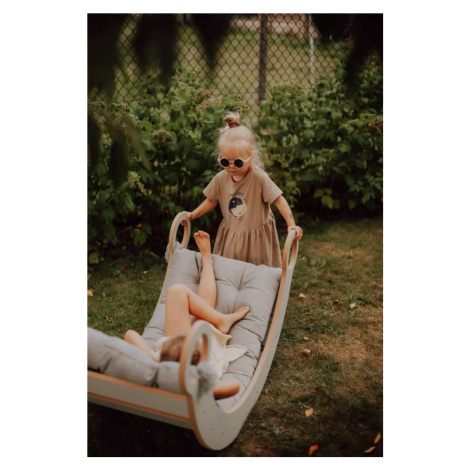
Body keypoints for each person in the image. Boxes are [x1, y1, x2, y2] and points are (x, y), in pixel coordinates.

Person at [124, 231, 250, 400]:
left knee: (177, 292)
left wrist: (154, 363)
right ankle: (207, 261)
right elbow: (234, 386)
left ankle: (218, 316)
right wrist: (200, 381)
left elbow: (129, 334)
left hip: (178, 355)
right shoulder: (197, 383)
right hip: (199, 351)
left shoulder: (157, 370)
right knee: (201, 317)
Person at [183, 112, 303, 268]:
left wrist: (291, 223)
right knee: (229, 270)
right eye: (225, 161)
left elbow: (279, 199)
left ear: (250, 158)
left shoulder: (259, 178)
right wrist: (192, 215)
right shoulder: (221, 178)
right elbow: (212, 200)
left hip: (257, 237)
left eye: (238, 162)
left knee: (257, 272)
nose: (231, 166)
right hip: (232, 235)